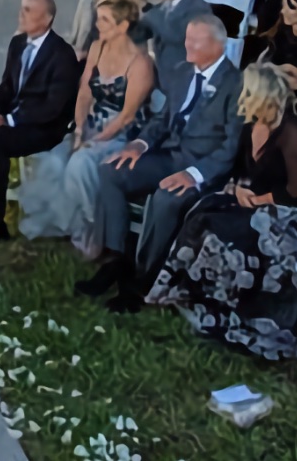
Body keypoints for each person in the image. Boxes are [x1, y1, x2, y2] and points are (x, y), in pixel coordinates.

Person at [144, 64, 297, 357]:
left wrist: (257, 200)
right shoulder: (250, 124)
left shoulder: (292, 132)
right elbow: (241, 170)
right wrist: (239, 188)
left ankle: (233, 312)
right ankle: (195, 297)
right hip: (256, 194)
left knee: (233, 234)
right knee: (204, 213)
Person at [72, 17, 241, 311]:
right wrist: (140, 144)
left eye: (195, 41)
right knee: (110, 172)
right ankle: (116, 259)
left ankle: (144, 280)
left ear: (218, 45)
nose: (187, 45)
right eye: (187, 37)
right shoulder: (182, 71)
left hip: (202, 169)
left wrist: (193, 174)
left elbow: (231, 146)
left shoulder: (236, 84)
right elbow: (163, 120)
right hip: (169, 156)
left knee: (166, 199)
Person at [30, 0, 153, 248]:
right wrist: (78, 130)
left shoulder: (141, 64)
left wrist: (95, 140)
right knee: (54, 157)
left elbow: (128, 115)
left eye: (105, 20)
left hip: (122, 132)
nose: (98, 24)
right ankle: (67, 225)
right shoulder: (97, 47)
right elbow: (85, 91)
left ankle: (92, 234)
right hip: (93, 123)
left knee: (80, 163)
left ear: (123, 26)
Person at [0, 0, 80, 248]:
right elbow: (7, 87)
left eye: (28, 10)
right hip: (11, 117)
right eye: (22, 8)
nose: (21, 14)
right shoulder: (18, 43)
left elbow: (53, 108)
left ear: (48, 18)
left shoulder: (62, 55)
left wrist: (6, 120)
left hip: (44, 128)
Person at [132, 0, 208, 85]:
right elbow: (139, 33)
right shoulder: (162, 7)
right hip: (161, 80)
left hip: (185, 83)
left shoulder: (198, 8)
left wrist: (143, 4)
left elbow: (174, 34)